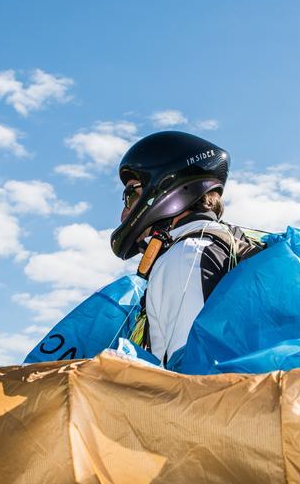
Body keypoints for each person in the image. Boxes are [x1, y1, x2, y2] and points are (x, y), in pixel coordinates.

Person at [109, 130, 264, 366]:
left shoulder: (186, 256)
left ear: (164, 186)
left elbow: (194, 378)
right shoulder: (219, 243)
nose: (124, 214)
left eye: (129, 196)